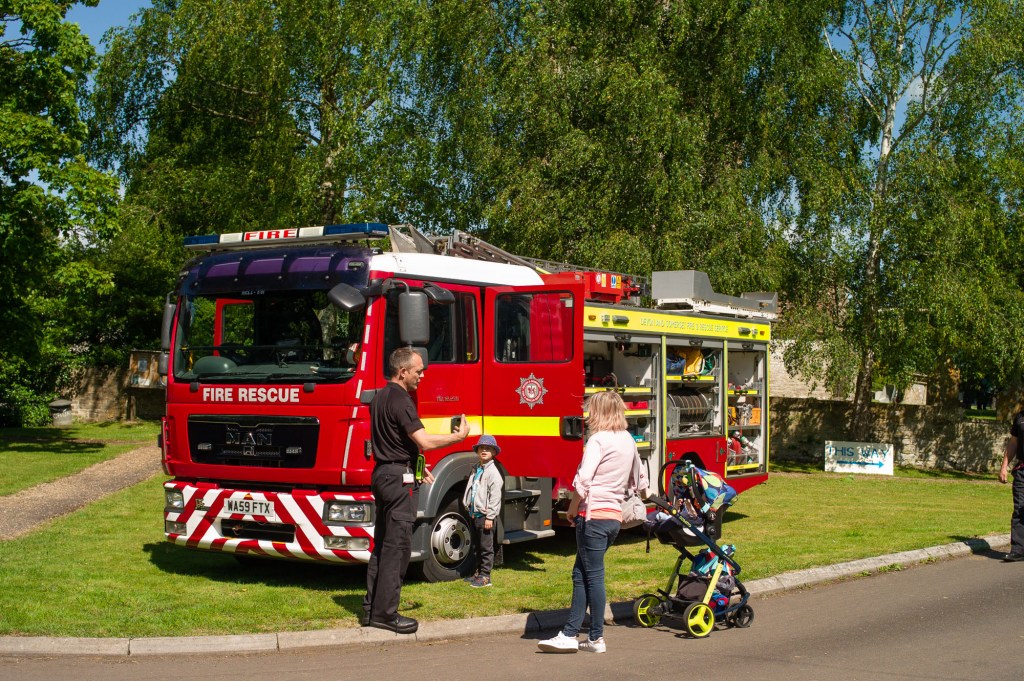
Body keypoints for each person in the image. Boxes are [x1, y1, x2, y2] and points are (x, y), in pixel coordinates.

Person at [362, 347, 470, 633]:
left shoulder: (380, 396)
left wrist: (417, 468)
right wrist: (457, 437)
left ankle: (371, 609)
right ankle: (386, 615)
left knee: (382, 547)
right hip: (398, 481)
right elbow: (423, 441)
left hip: (385, 474)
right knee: (397, 550)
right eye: (419, 370)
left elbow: (399, 444)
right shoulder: (403, 400)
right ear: (403, 372)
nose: (423, 375)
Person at [537, 390, 648, 654]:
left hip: (593, 515)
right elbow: (641, 481)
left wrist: (572, 510)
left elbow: (583, 481)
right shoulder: (628, 440)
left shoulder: (598, 440)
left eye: (590, 410)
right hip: (613, 518)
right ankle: (578, 634)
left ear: (599, 412)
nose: (587, 415)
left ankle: (587, 636)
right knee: (582, 574)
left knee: (592, 576)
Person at [462, 434, 504, 588]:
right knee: (476, 546)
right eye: (481, 448)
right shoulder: (477, 469)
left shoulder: (493, 473)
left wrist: (490, 517)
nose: (484, 450)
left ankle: (486, 576)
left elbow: (495, 497)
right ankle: (478, 573)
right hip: (475, 514)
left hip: (485, 516)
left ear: (493, 452)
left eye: (488, 448)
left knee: (486, 547)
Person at [999, 410, 1024, 561]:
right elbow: (1014, 442)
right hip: (1022, 471)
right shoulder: (1020, 417)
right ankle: (1018, 550)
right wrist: (1004, 466)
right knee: (1019, 508)